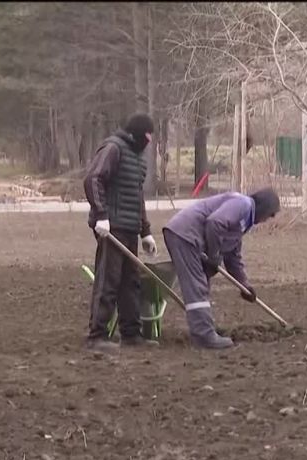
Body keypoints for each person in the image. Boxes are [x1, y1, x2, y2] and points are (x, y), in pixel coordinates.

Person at [162, 189, 281, 349]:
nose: (269, 218)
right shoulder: (243, 204)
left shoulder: (244, 221)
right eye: (270, 214)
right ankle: (204, 336)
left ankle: (204, 328)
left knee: (202, 284)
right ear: (264, 207)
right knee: (196, 286)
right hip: (185, 235)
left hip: (190, 238)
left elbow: (233, 256)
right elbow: (215, 222)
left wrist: (244, 285)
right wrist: (214, 254)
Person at [84, 113, 159, 353]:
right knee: (109, 280)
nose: (148, 142)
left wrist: (145, 231)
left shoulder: (138, 159)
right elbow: (92, 180)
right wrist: (101, 215)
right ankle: (97, 335)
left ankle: (131, 334)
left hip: (129, 228)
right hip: (110, 227)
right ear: (136, 134)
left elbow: (137, 197)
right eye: (146, 137)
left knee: (131, 282)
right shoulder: (113, 148)